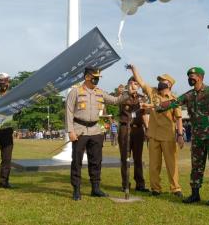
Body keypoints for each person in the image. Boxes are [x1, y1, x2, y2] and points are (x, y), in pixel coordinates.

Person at [151, 67, 209, 206]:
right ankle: (195, 194)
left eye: (192, 76)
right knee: (196, 166)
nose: (189, 78)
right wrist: (160, 107)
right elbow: (175, 102)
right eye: (188, 76)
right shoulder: (189, 95)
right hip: (197, 136)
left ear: (199, 77)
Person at [66, 67, 129, 201]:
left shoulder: (100, 92)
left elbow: (115, 100)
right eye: (95, 77)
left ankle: (95, 188)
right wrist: (70, 131)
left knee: (96, 160)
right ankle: (76, 189)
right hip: (79, 129)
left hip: (96, 130)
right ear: (87, 77)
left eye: (98, 77)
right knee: (77, 161)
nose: (97, 79)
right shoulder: (75, 91)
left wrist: (128, 93)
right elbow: (69, 111)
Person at [128, 65, 184, 197]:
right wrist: (134, 69)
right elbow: (140, 81)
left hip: (168, 136)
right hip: (153, 135)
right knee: (154, 164)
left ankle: (176, 188)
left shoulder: (174, 100)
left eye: (162, 80)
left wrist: (180, 135)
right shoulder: (152, 92)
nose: (159, 82)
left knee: (172, 164)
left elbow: (179, 118)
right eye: (159, 80)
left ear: (169, 84)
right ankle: (155, 188)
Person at [117, 77, 150, 192]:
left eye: (136, 83)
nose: (134, 85)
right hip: (125, 128)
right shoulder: (123, 95)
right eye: (131, 82)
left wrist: (147, 128)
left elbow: (145, 114)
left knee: (138, 158)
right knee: (125, 158)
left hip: (138, 129)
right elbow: (118, 96)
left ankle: (140, 184)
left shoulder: (142, 98)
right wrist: (126, 90)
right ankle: (125, 184)